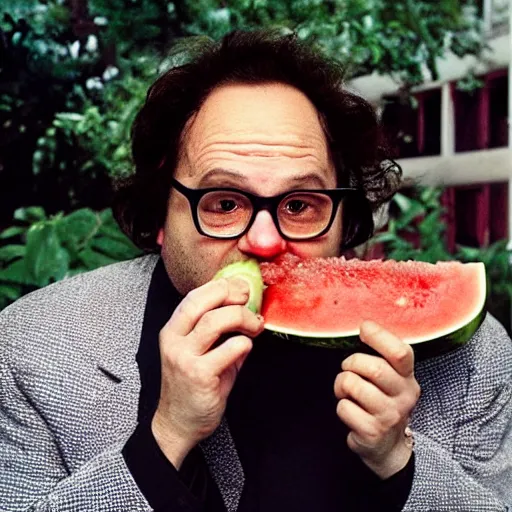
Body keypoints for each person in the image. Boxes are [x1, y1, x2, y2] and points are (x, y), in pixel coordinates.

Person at [0, 30, 511, 512]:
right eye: (224, 202)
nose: (265, 242)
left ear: (343, 215)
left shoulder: (476, 357)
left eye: (299, 205)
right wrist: (164, 439)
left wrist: (402, 464)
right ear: (160, 214)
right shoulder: (32, 351)